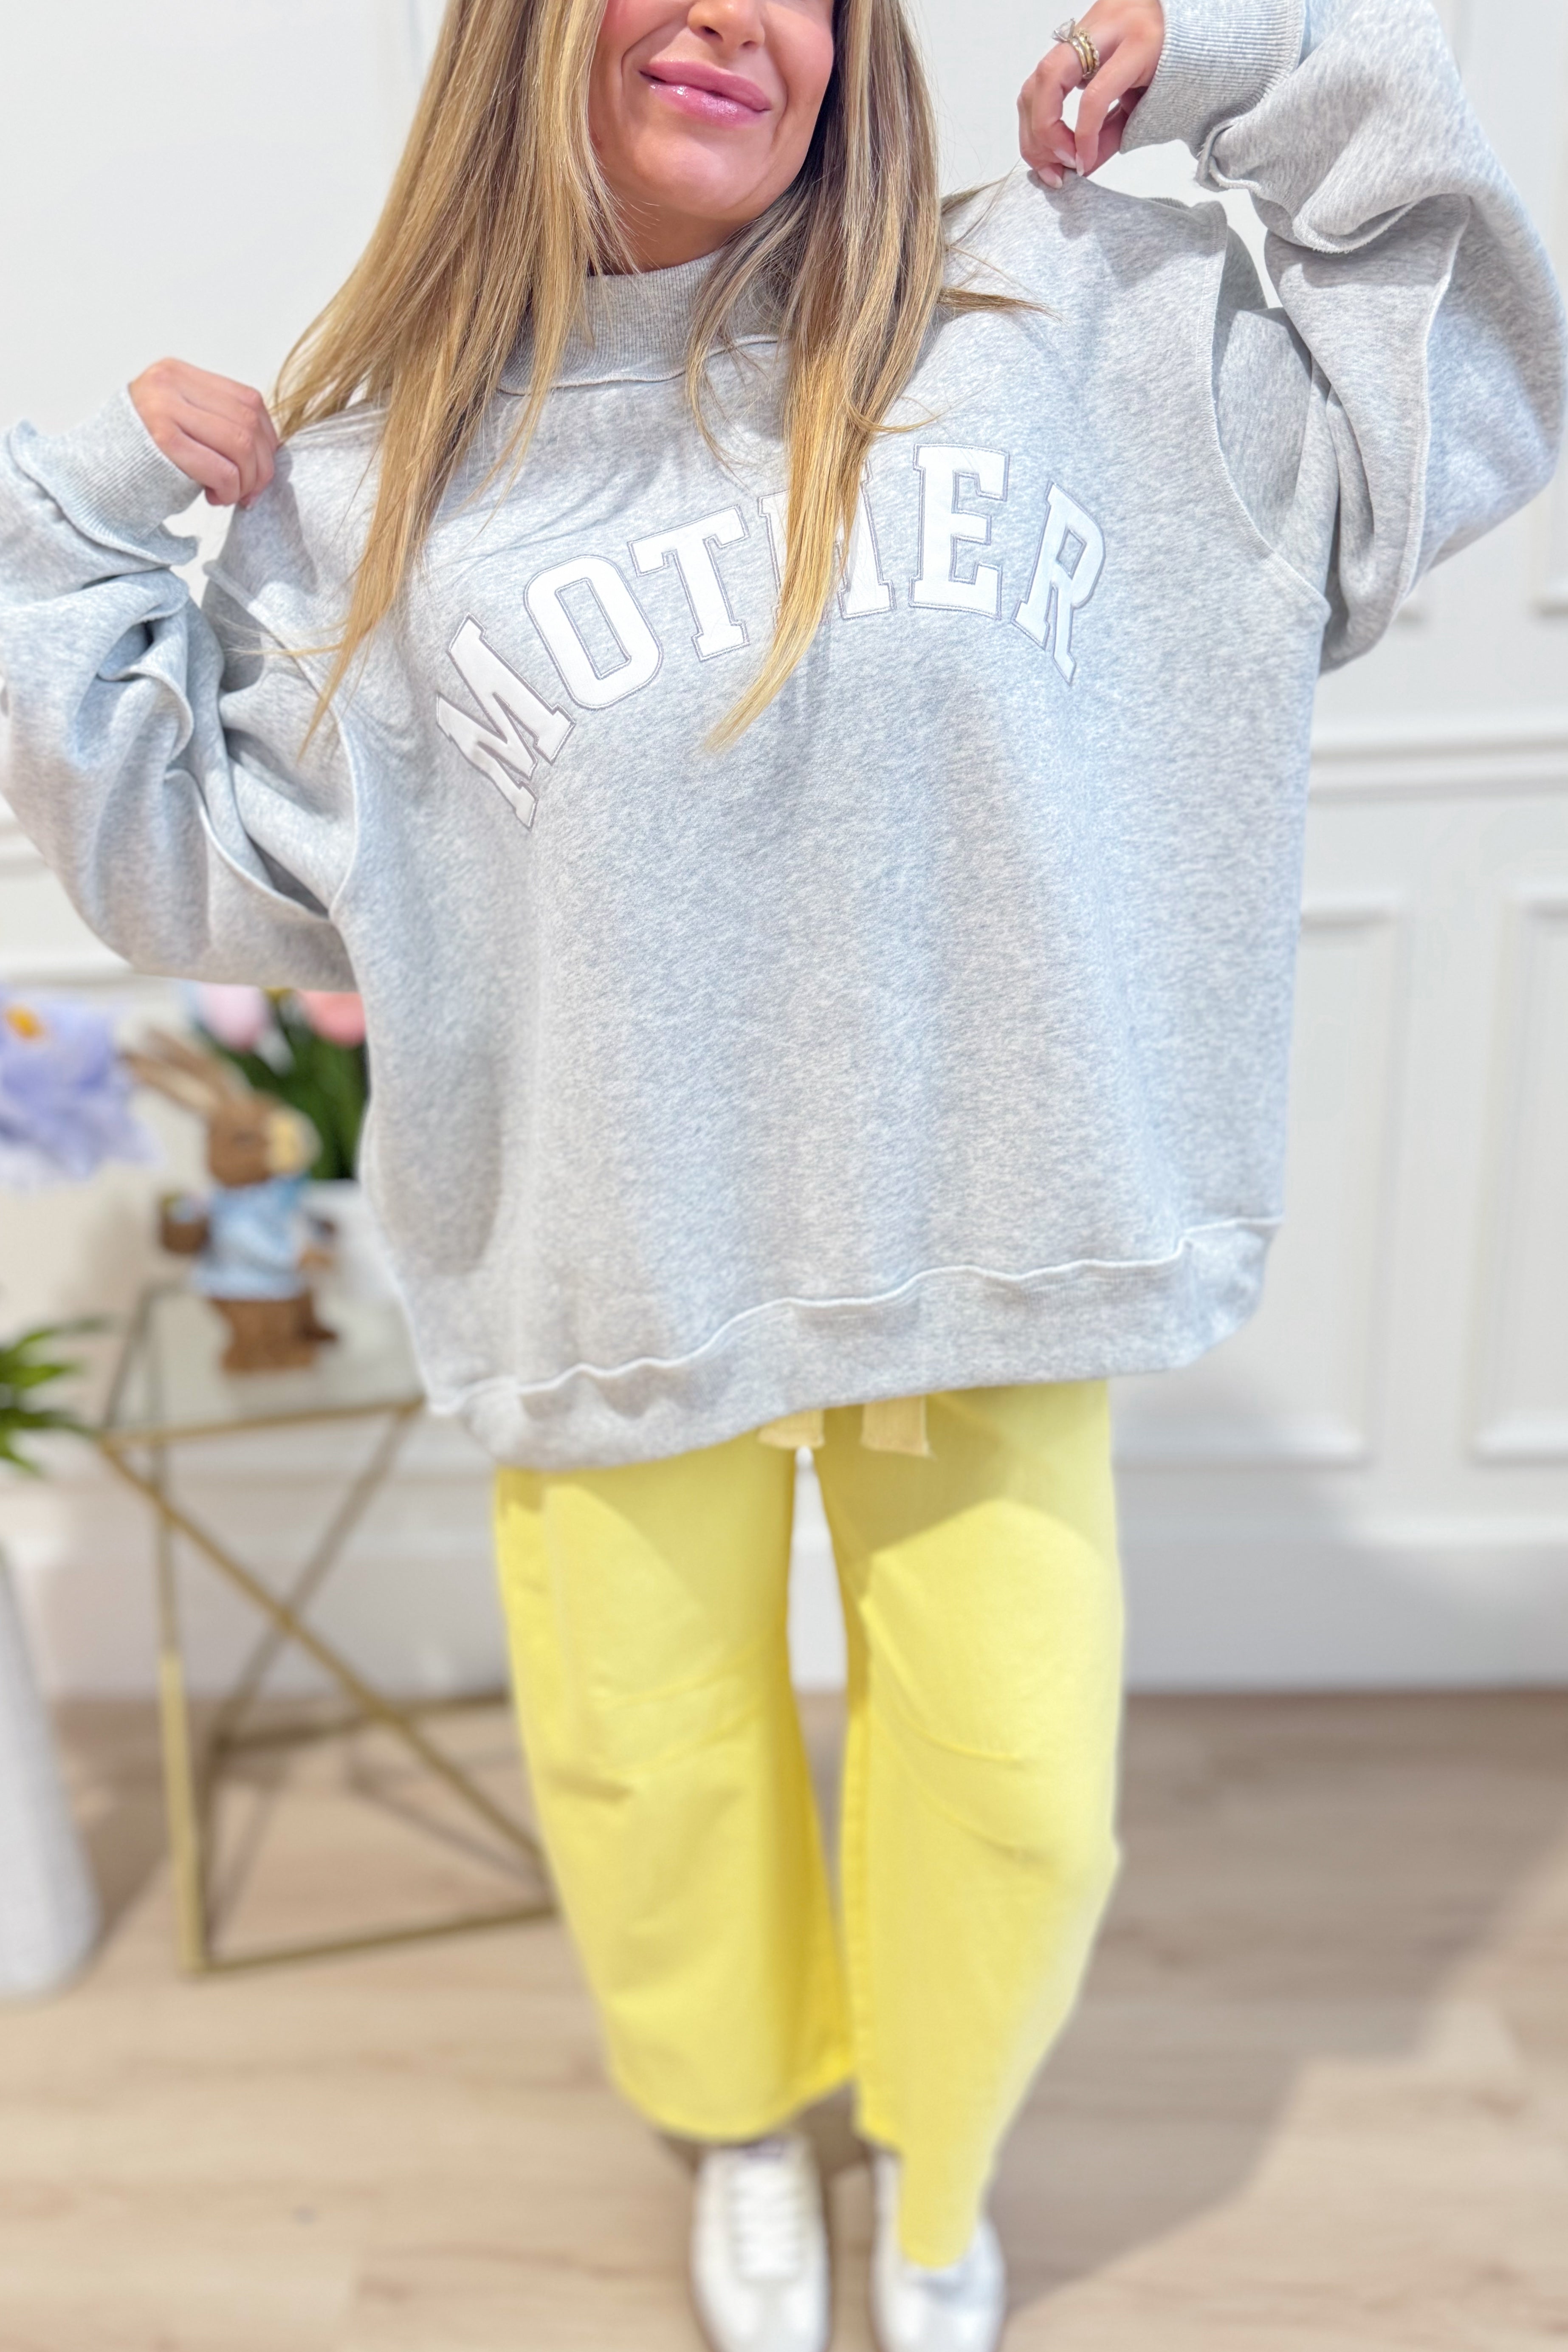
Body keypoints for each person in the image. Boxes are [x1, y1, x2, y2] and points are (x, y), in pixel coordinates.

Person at [0, 0, 1562, 2341]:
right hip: (617, 1261)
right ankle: (741, 2122)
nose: (743, 16)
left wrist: (1252, 64)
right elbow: (179, 867)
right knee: (652, 1771)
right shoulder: (392, 484)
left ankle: (939, 2170)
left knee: (1020, 1789)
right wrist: (79, 524)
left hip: (994, 1239)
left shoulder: (1061, 322)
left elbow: (1463, 377)